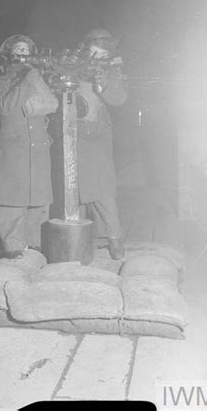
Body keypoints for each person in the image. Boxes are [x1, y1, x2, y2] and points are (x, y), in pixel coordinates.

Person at [0, 34, 58, 259]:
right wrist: (28, 80)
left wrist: (35, 79)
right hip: (13, 149)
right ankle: (13, 247)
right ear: (9, 55)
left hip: (37, 148)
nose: (23, 54)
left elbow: (51, 105)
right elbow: (5, 107)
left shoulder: (38, 80)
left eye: (26, 50)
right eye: (18, 50)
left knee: (38, 198)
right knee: (11, 199)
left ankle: (36, 244)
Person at [75, 28, 127, 260]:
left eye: (102, 52)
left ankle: (115, 239)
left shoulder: (113, 72)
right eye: (93, 51)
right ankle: (78, 242)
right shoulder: (75, 68)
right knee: (74, 192)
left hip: (97, 139)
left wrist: (103, 82)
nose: (97, 56)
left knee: (103, 192)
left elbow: (119, 98)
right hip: (73, 136)